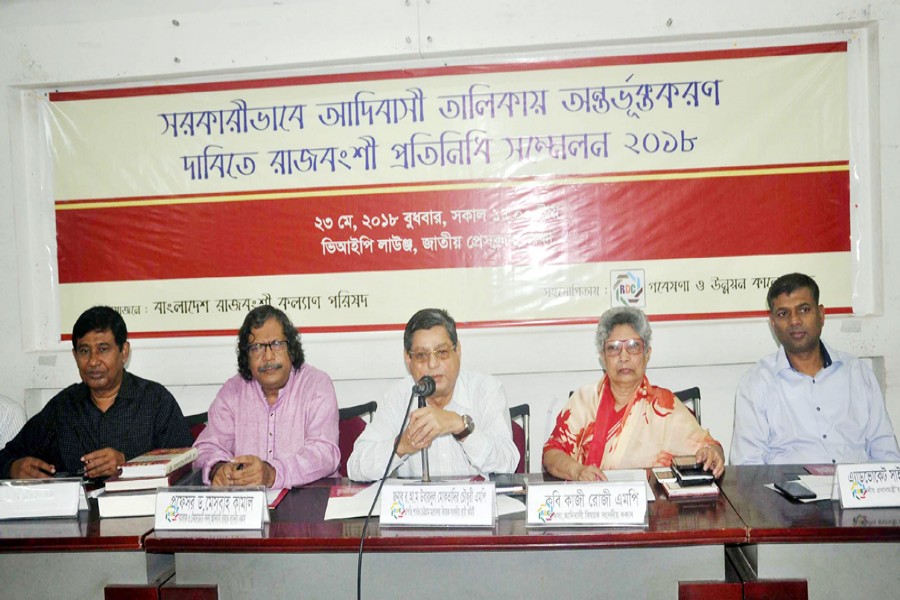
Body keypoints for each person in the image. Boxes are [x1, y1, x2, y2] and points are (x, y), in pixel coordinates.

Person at [0, 306, 193, 479]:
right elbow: (7, 456)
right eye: (84, 351)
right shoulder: (63, 407)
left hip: (142, 514)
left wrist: (127, 464)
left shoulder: (155, 401)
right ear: (75, 356)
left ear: (124, 352)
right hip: (79, 517)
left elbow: (187, 465)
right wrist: (13, 468)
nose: (93, 361)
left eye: (103, 349)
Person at [730, 273, 900, 465]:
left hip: (857, 492)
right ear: (773, 323)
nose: (794, 321)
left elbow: (887, 455)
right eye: (783, 314)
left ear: (821, 315)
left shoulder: (857, 374)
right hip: (787, 494)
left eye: (803, 310)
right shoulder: (756, 383)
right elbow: (747, 467)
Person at [543, 306, 725, 481]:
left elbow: (713, 448)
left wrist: (712, 454)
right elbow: (551, 454)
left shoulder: (664, 406)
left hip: (652, 509)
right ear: (602, 357)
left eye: (633, 346)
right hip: (588, 507)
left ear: (647, 354)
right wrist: (577, 471)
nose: (624, 357)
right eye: (613, 348)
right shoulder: (583, 400)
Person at [347, 308, 519, 481]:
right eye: (421, 355)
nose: (432, 364)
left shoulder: (485, 390)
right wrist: (402, 445)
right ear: (408, 359)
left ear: (457, 351)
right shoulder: (397, 397)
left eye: (442, 352)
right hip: (417, 507)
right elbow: (355, 467)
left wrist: (459, 425)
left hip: (474, 504)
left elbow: (508, 462)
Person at [194, 305, 340, 488]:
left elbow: (325, 454)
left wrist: (272, 473)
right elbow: (206, 447)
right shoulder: (232, 391)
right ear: (246, 357)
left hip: (309, 502)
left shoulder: (316, 385)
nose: (268, 357)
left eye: (277, 344)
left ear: (291, 349)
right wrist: (219, 468)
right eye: (257, 348)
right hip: (248, 508)